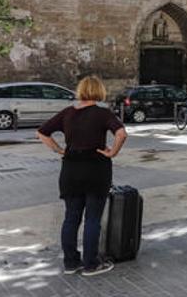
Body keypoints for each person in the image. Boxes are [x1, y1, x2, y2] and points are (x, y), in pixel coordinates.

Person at [37, 75, 127, 277]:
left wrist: (59, 150)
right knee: (93, 218)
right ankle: (91, 263)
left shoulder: (67, 113)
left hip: (70, 169)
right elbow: (121, 133)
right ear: (99, 91)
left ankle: (70, 262)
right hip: (96, 168)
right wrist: (112, 152)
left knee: (71, 218)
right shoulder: (102, 113)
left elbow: (42, 133)